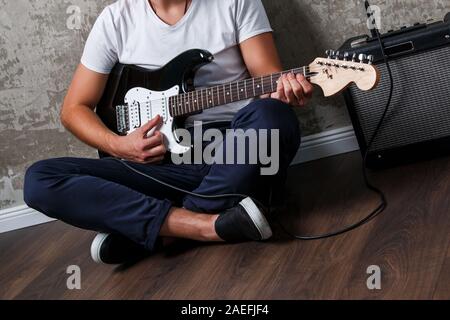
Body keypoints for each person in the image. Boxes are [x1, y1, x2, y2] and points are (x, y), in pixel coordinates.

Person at [24, 0, 313, 264]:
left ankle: (161, 229)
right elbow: (73, 109)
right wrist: (119, 146)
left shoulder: (235, 2)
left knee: (274, 115)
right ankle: (209, 224)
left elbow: (267, 78)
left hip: (233, 153)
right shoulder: (115, 20)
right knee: (39, 179)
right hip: (157, 166)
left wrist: (283, 91)